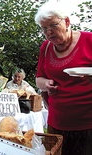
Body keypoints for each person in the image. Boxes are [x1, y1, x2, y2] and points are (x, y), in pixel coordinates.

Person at [34, 1, 92, 155]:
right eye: (44, 28)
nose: (49, 32)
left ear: (66, 21)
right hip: (57, 123)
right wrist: (46, 84)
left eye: (53, 26)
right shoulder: (45, 47)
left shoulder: (89, 41)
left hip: (88, 123)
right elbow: (39, 78)